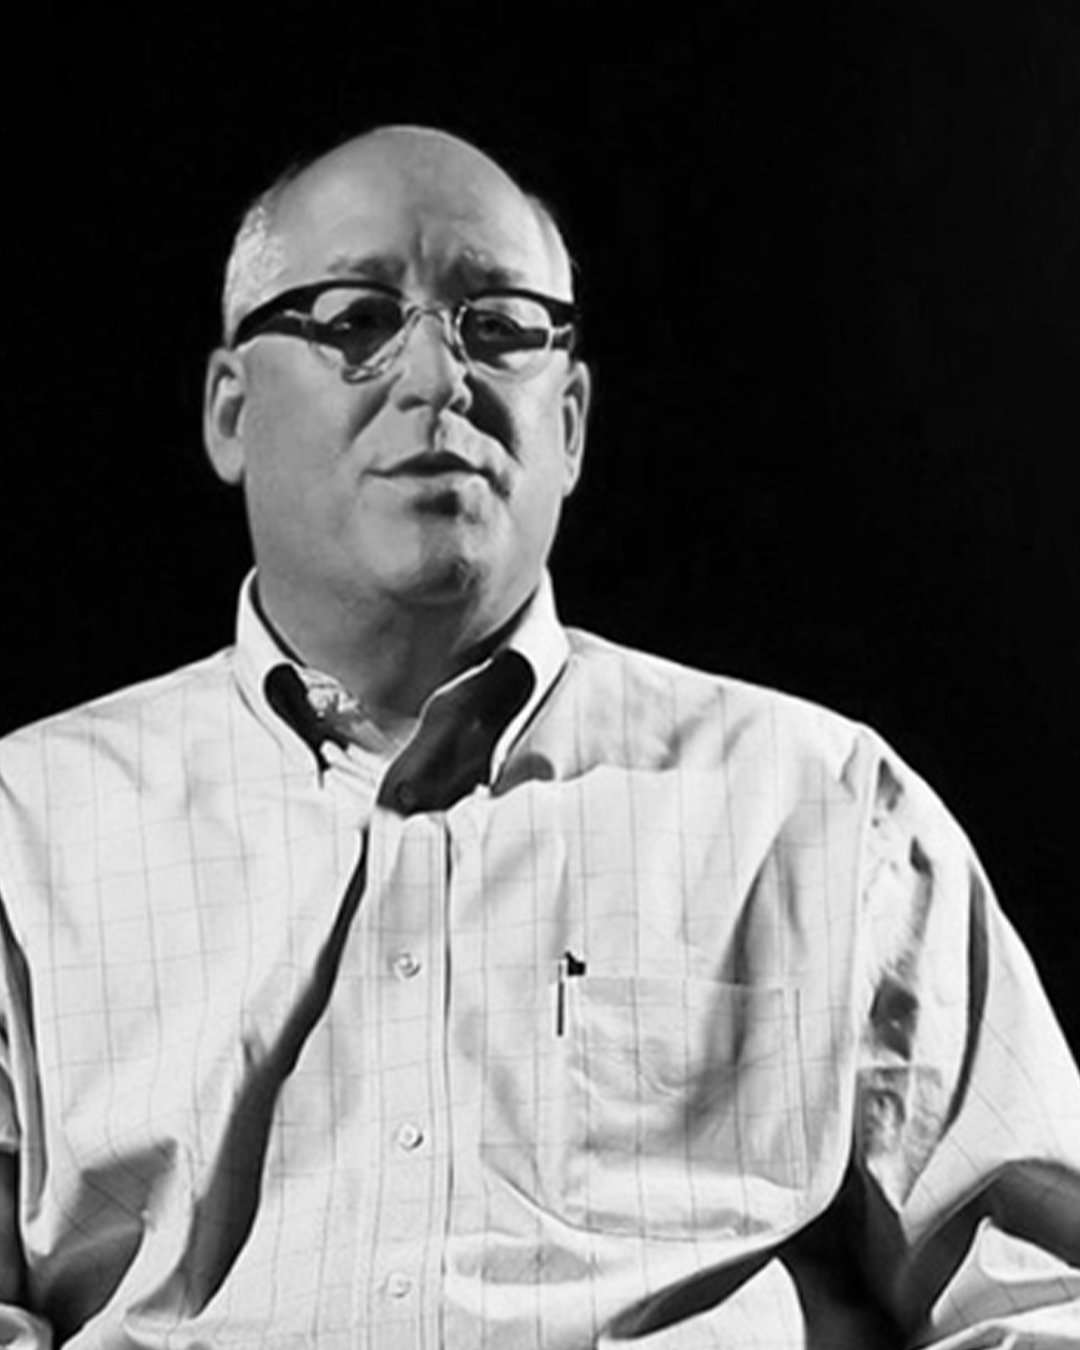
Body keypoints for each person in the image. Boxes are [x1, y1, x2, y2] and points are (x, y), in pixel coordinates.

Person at [0, 124, 1077, 1350]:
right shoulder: (26, 833)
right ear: (231, 412)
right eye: (357, 319)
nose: (437, 378)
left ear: (568, 422)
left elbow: (1043, 1298)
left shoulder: (818, 806)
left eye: (500, 326)